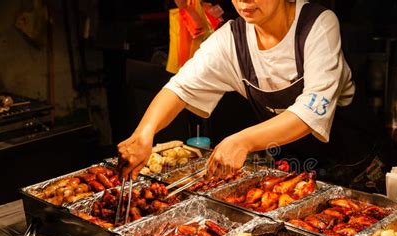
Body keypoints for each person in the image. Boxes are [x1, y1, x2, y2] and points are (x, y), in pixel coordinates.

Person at [118, 0, 380, 183]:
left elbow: (309, 112)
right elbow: (179, 88)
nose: (244, 0)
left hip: (355, 168)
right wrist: (144, 134)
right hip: (297, 172)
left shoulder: (318, 25)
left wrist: (242, 141)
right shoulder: (231, 40)